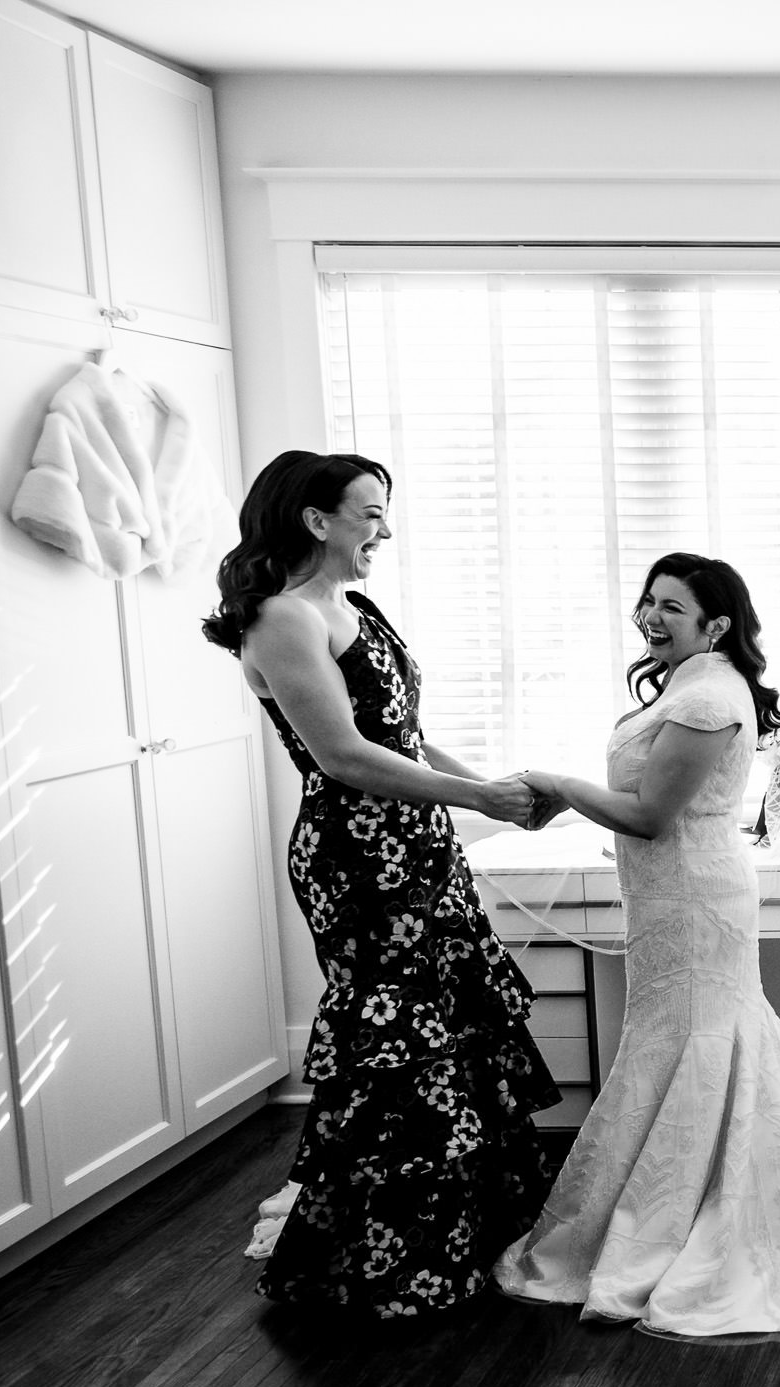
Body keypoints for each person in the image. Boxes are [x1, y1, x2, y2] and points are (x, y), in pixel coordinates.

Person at [493, 553, 780, 1339]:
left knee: (705, 1035)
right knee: (688, 1037)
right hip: (669, 895)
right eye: (648, 601)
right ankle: (694, 1191)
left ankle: (697, 1211)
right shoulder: (686, 683)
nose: (651, 616)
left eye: (672, 605)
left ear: (717, 622)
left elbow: (649, 813)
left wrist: (559, 786)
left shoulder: (709, 695)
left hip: (696, 896)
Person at [203, 450, 562, 1316]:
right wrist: (480, 796)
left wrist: (496, 795)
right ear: (315, 519)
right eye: (370, 513)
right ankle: (384, 1259)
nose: (385, 531)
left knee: (456, 1025)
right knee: (398, 1045)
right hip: (358, 857)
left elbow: (403, 736)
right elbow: (346, 757)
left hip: (418, 845)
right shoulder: (285, 619)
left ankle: (466, 1234)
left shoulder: (353, 606)